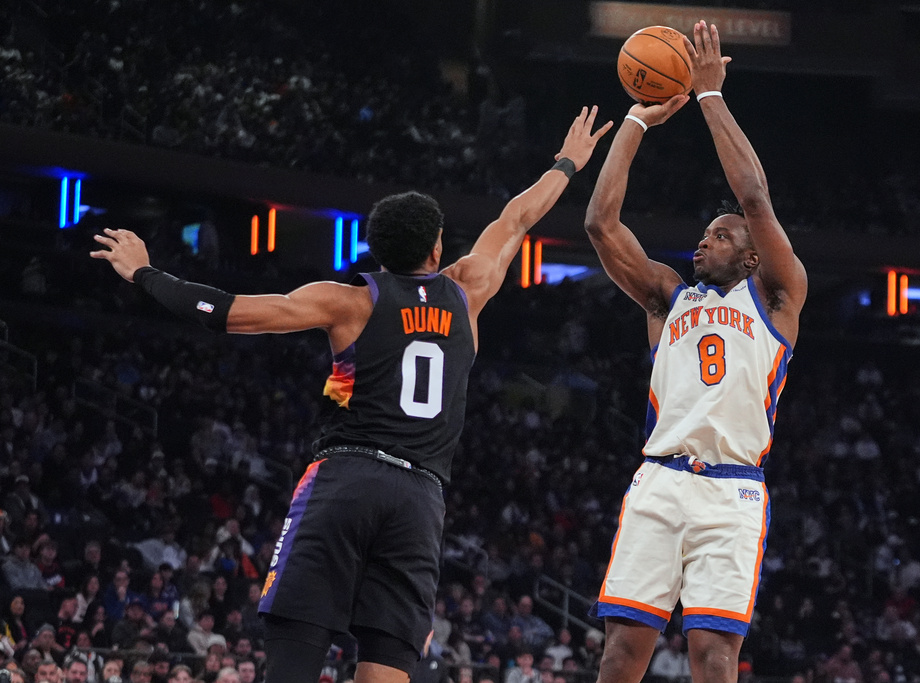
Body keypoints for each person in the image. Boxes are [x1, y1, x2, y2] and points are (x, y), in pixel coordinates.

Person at [92, 107, 611, 683]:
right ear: (437, 250)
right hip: (421, 498)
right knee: (387, 663)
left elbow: (227, 313)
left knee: (295, 647)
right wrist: (568, 162)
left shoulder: (349, 300)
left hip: (346, 480)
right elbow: (518, 217)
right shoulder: (468, 290)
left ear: (377, 251)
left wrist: (145, 274)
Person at [583, 21, 807, 683]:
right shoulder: (666, 299)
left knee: (713, 654)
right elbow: (600, 223)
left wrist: (710, 97)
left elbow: (754, 196)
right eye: (704, 234)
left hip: (732, 490)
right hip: (660, 477)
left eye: (718, 234)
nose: (702, 241)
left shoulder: (776, 296)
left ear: (750, 253)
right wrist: (635, 121)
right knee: (622, 651)